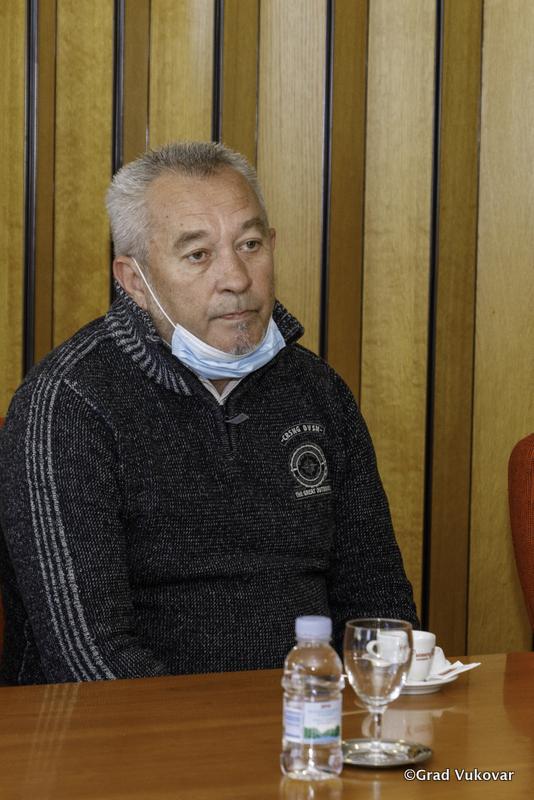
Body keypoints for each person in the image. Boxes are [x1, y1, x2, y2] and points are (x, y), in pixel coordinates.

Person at [0, 141, 418, 685]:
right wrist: (230, 731)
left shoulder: (317, 390)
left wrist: (358, 707)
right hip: (128, 726)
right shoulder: (68, 404)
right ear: (134, 280)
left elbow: (379, 604)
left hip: (309, 715)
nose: (237, 278)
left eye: (250, 245)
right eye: (198, 255)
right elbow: (89, 658)